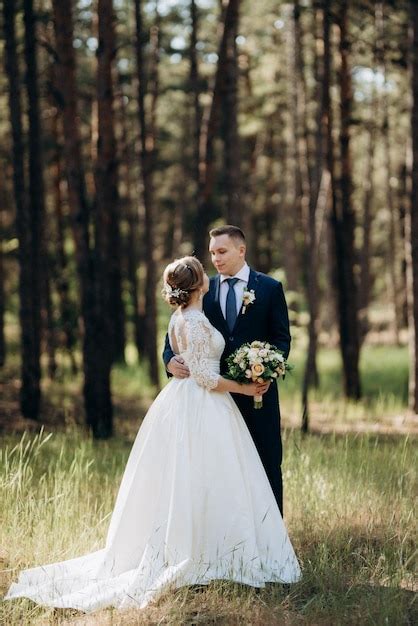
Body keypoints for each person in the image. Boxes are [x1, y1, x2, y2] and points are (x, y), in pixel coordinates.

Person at [4, 255, 300, 613]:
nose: (212, 266)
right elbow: (205, 378)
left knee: (192, 479)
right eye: (206, 264)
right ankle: (209, 554)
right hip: (205, 404)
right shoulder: (195, 323)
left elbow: (196, 362)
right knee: (210, 477)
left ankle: (204, 546)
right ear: (197, 286)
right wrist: (245, 388)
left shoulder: (182, 318)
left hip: (184, 403)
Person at [164, 225, 290, 514]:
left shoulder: (269, 288)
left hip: (258, 394)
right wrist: (169, 360)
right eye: (212, 253)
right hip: (212, 399)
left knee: (267, 462)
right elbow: (173, 336)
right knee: (220, 472)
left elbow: (281, 338)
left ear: (241, 250)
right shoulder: (199, 289)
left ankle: (272, 538)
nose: (216, 258)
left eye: (222, 251)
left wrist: (266, 370)